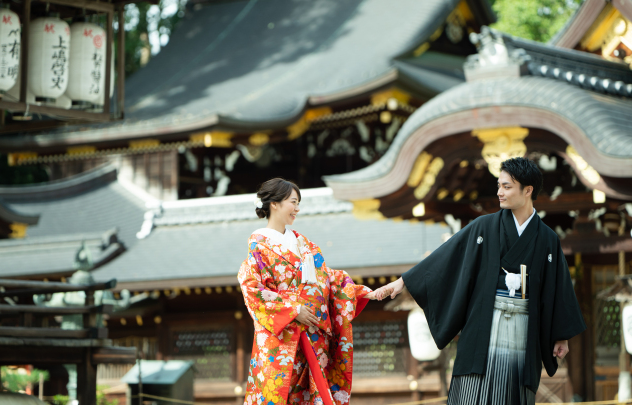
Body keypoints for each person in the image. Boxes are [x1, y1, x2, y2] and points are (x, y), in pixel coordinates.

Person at [376, 157, 586, 405]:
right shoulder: (483, 227)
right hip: (482, 328)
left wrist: (561, 336)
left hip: (523, 329)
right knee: (471, 393)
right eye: (499, 186)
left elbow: (558, 288)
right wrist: (404, 282)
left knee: (513, 392)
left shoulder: (548, 239)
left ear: (528, 190)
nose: (499, 192)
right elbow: (447, 256)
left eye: (507, 187)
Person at [238, 178, 378, 405]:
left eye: (298, 203)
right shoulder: (258, 246)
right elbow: (253, 289)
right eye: (293, 202)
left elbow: (328, 278)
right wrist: (294, 310)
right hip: (282, 338)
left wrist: (359, 292)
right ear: (274, 204)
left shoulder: (304, 244)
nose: (297, 208)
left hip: (313, 335)